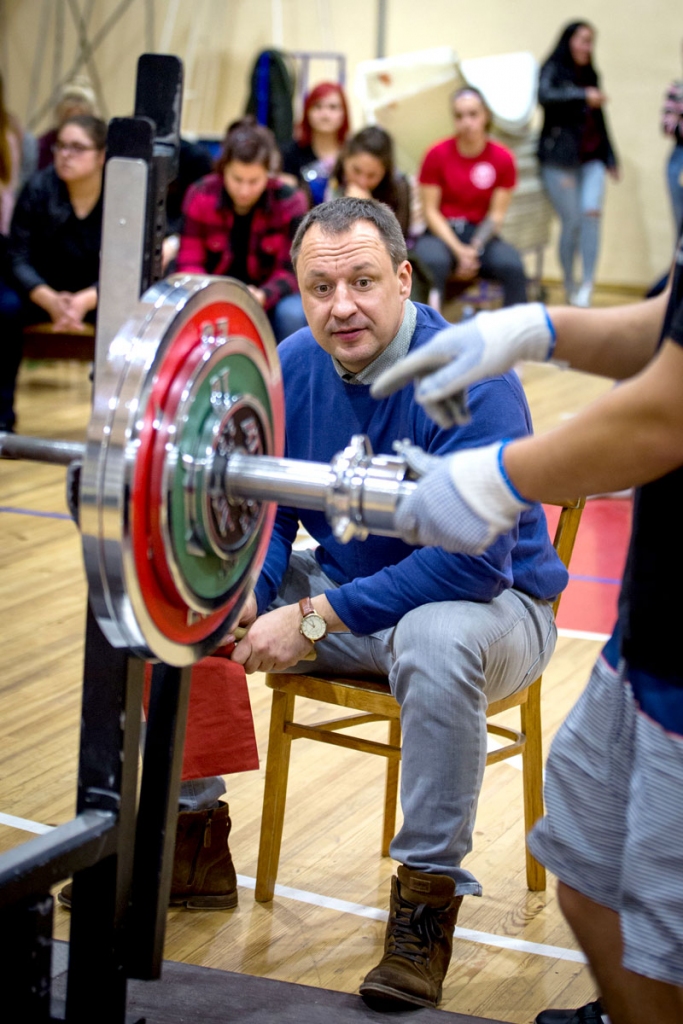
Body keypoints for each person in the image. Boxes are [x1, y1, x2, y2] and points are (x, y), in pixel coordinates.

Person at [219, 197, 567, 1010]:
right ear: (298, 292)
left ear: (403, 279)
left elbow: (470, 570)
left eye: (364, 281)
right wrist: (254, 595)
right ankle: (192, 842)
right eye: (319, 287)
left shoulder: (468, 375)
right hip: (353, 602)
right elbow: (270, 509)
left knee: (435, 637)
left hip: (495, 610)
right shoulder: (295, 363)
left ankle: (423, 903)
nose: (341, 306)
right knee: (190, 598)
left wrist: (307, 620)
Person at [370, 239, 683, 1023]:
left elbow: (666, 408)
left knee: (664, 935)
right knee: (583, 861)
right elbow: (666, 323)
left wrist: (496, 478)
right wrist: (538, 327)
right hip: (651, 625)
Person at [0, 114, 106, 432]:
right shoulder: (38, 188)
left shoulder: (121, 196)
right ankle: (2, 417)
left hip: (96, 294)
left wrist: (87, 299)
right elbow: (16, 255)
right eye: (61, 146)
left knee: (130, 319)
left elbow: (129, 264)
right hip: (41, 291)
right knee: (4, 307)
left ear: (102, 156)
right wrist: (46, 297)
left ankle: (110, 427)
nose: (65, 155)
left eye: (77, 148)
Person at [177, 118, 309, 343]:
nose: (244, 190)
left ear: (268, 174)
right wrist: (214, 296)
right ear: (223, 170)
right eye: (237, 179)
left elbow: (292, 271)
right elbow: (189, 263)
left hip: (269, 296)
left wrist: (262, 295)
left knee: (293, 313)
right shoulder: (200, 194)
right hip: (210, 291)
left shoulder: (291, 201)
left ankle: (285, 376)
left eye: (254, 181)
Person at [411, 86, 527, 309]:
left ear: (486, 116)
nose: (467, 122)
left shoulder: (503, 158)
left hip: (480, 234)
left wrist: (473, 249)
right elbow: (430, 212)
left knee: (512, 265)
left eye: (473, 114)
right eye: (459, 115)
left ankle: (517, 337)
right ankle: (424, 333)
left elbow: (496, 216)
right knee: (431, 262)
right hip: (441, 233)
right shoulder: (436, 154)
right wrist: (458, 250)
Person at [538, 21, 619, 308]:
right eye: (583, 40)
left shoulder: (591, 73)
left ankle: (587, 285)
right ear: (569, 40)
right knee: (572, 223)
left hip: (592, 160)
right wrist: (582, 95)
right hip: (560, 162)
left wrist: (611, 157)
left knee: (591, 217)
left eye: (591, 41)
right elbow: (544, 96)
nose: (587, 47)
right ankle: (569, 284)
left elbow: (599, 119)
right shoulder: (553, 69)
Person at [280, 82, 350, 205]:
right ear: (307, 111)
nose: (325, 114)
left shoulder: (352, 154)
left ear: (343, 114)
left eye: (333, 107)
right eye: (317, 106)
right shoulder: (288, 153)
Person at [36, 78, 98, 171]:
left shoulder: (100, 144)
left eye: (80, 121)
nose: (67, 154)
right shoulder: (44, 145)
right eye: (70, 120)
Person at [662, 40, 683, 238]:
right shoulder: (677, 88)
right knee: (680, 221)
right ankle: (678, 265)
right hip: (680, 155)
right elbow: (668, 126)